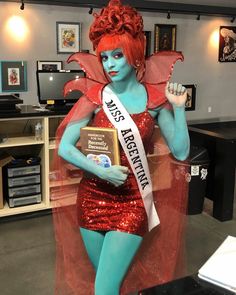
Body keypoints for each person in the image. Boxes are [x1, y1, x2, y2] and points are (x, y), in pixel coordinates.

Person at [53, 1, 190, 294]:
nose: (111, 64)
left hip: (133, 200)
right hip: (92, 199)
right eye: (105, 58)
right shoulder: (95, 97)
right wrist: (98, 171)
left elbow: (180, 152)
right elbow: (65, 147)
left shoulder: (154, 100)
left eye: (118, 55)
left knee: (104, 287)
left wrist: (179, 109)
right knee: (109, 280)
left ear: (135, 55)